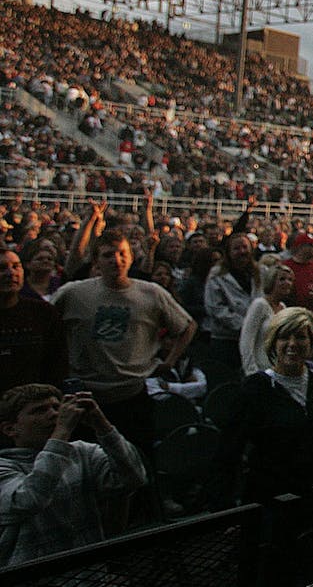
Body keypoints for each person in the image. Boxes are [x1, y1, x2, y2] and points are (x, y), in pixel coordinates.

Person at [51, 230, 196, 452]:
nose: (116, 260)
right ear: (97, 260)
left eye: (122, 253)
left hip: (132, 395)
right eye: (108, 255)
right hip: (84, 394)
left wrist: (169, 360)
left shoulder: (151, 293)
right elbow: (46, 322)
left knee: (135, 459)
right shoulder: (74, 293)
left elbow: (187, 326)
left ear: (130, 257)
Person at [0, 383, 147, 566]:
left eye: (56, 407)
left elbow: (133, 479)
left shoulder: (82, 452)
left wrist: (102, 425)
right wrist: (61, 431)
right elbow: (29, 500)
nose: (54, 414)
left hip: (90, 573)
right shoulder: (4, 467)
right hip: (34, 576)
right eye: (39, 410)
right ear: (10, 429)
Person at [209, 307, 313, 506]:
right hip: (270, 499)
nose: (292, 344)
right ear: (274, 342)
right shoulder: (256, 388)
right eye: (284, 337)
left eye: (301, 337)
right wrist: (224, 507)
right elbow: (228, 450)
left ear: (311, 343)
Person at [0, 250, 67, 394]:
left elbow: (58, 363)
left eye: (16, 266)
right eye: (2, 268)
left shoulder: (44, 313)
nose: (11, 273)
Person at [202, 232, 260, 371]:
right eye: (236, 248)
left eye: (245, 247)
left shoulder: (259, 273)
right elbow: (215, 308)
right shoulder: (217, 275)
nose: (242, 252)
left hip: (254, 340)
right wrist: (244, 325)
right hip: (226, 340)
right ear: (229, 252)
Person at [240, 263, 294, 375]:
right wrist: (251, 371)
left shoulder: (283, 307)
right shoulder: (259, 305)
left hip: (277, 369)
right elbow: (246, 341)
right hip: (259, 369)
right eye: (282, 279)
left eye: (290, 280)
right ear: (272, 281)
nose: (287, 283)